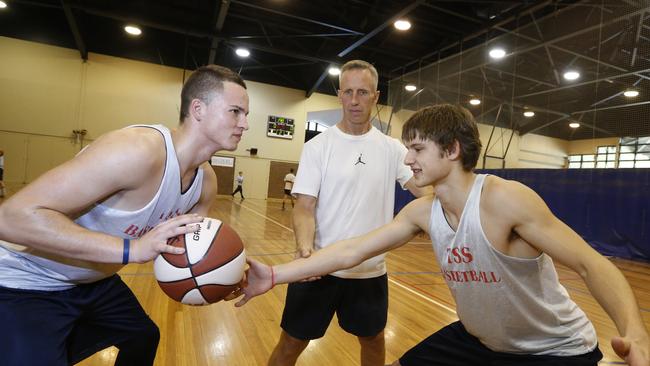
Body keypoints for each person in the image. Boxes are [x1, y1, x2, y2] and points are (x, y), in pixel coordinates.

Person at [238, 104, 650, 366]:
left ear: (451, 150)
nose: (408, 158)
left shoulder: (505, 200)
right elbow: (350, 251)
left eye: (417, 148)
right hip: (481, 342)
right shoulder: (422, 211)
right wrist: (274, 276)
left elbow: (591, 263)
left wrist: (635, 333)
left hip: (553, 350)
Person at [0, 64, 249, 366]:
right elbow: (11, 218)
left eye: (245, 114)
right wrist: (132, 249)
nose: (244, 124)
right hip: (27, 281)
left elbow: (187, 255)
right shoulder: (137, 150)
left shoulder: (205, 183)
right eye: (235, 111)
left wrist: (224, 277)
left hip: (92, 282)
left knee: (143, 337)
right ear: (198, 109)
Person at [267, 60, 431, 366]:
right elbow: (304, 208)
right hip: (319, 267)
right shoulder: (318, 147)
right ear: (339, 95)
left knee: (373, 340)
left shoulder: (393, 149)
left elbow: (426, 193)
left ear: (376, 97)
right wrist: (305, 250)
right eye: (348, 92)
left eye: (363, 93)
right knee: (291, 343)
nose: (355, 101)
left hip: (369, 272)